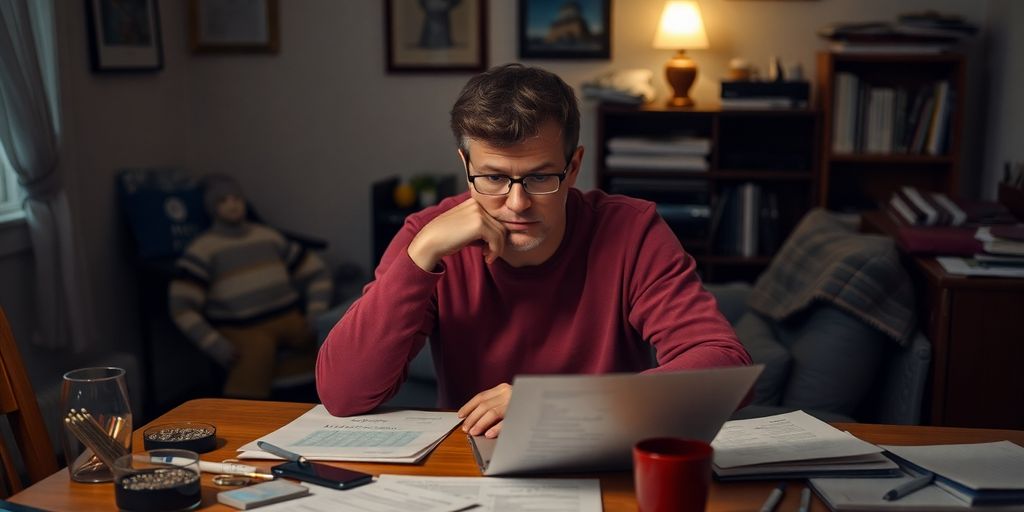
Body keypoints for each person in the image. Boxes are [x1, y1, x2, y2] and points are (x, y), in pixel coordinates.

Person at [316, 63, 750, 437]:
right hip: (468, 466)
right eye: (493, 178)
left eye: (541, 178)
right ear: (465, 166)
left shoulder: (631, 230)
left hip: (602, 458)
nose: (517, 203)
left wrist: (552, 405)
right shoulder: (426, 237)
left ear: (574, 165)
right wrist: (422, 252)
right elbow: (343, 393)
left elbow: (725, 367)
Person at [169, 175, 333, 399]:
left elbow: (317, 272)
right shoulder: (204, 250)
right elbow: (181, 306)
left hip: (289, 319)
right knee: (256, 356)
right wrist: (214, 344)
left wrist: (316, 313)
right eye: (223, 200)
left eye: (236, 198)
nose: (232, 204)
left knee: (323, 357)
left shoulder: (267, 237)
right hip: (243, 329)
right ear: (212, 208)